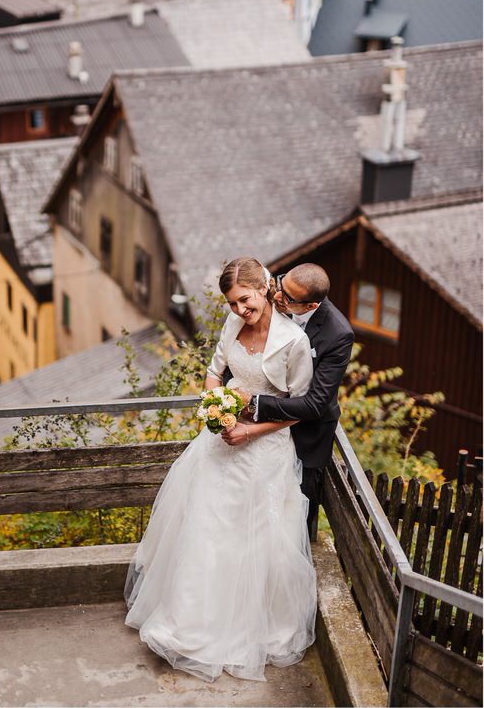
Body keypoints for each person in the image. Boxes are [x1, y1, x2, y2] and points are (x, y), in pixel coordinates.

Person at [124, 257, 318, 683]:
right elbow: (215, 374)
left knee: (252, 538)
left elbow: (299, 410)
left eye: (245, 301)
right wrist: (217, 409)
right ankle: (190, 621)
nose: (239, 312)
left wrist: (250, 432)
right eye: (232, 304)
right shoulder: (232, 327)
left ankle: (247, 627)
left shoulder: (293, 343)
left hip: (264, 450)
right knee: (205, 527)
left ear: (265, 288)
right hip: (221, 443)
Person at [223, 263, 354, 541]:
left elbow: (314, 404)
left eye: (288, 298)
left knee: (294, 517)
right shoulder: (276, 289)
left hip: (306, 433)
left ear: (310, 306)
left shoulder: (337, 334)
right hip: (257, 430)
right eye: (279, 285)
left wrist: (255, 402)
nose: (277, 296)